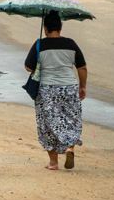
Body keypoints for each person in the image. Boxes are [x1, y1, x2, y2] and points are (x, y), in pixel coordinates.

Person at [25, 10, 88, 170]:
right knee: (71, 119)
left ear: (45, 28)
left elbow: (28, 67)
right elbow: (82, 67)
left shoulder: (40, 44)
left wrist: (40, 61)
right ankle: (70, 148)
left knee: (46, 124)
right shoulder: (70, 44)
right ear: (60, 27)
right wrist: (82, 86)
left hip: (47, 89)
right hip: (69, 87)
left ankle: (53, 162)